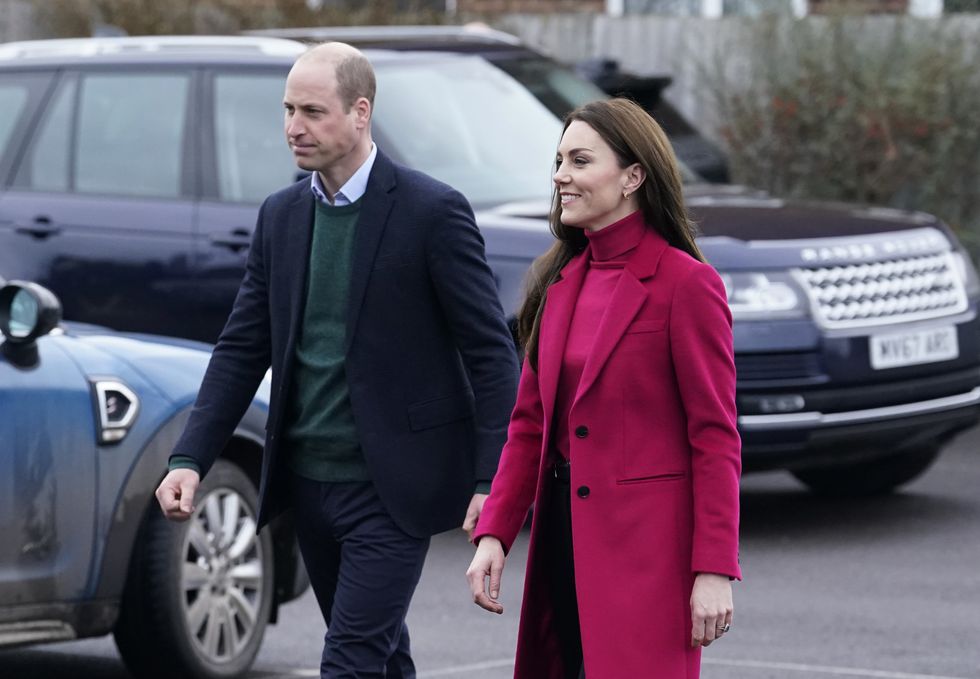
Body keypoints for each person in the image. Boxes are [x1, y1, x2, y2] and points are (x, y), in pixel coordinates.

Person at [155, 42, 519, 678]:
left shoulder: (431, 212)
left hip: (392, 491)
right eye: (288, 109)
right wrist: (190, 456)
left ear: (360, 112)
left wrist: (494, 480)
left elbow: (491, 355)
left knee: (348, 663)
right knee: (379, 659)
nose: (294, 127)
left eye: (313, 112)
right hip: (307, 485)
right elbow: (242, 347)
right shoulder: (281, 216)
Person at [466, 98, 741, 678]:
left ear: (633, 177)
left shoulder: (687, 284)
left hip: (650, 559)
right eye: (559, 160)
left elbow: (715, 437)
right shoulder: (557, 283)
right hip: (563, 542)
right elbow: (530, 424)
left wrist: (714, 569)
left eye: (580, 160)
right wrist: (496, 531)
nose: (561, 176)